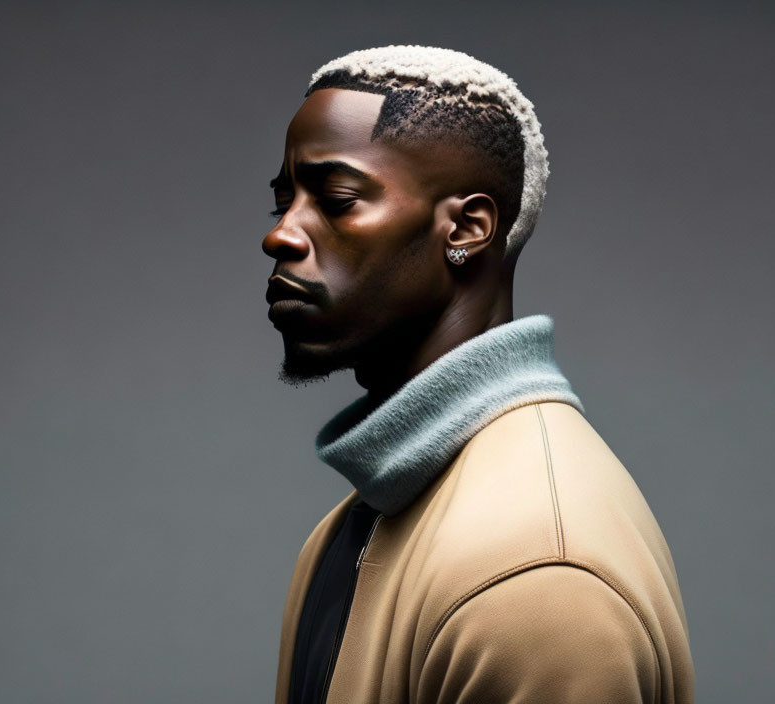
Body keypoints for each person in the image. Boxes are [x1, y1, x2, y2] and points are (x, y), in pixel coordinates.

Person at [262, 44, 695, 704]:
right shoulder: (353, 527)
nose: (282, 235)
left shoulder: (538, 575)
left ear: (467, 228)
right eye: (283, 202)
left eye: (337, 199)